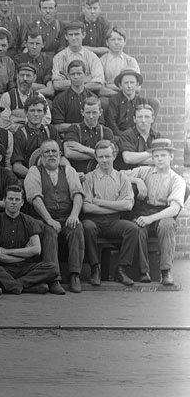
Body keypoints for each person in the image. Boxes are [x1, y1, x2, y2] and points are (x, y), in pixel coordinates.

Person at [23, 139, 84, 294]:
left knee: (77, 227)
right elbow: (35, 198)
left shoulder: (69, 171)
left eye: (54, 151)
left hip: (66, 216)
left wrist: (74, 215)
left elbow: (77, 194)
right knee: (49, 231)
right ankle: (53, 278)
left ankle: (75, 275)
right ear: (41, 156)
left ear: (60, 154)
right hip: (43, 218)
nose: (51, 155)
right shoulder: (34, 171)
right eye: (47, 152)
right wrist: (49, 219)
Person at [125, 138, 186, 286]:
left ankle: (166, 272)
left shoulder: (177, 180)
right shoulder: (144, 171)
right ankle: (143, 271)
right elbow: (120, 175)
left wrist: (151, 219)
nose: (159, 159)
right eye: (156, 156)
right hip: (143, 211)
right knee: (137, 226)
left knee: (167, 225)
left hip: (163, 213)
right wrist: (137, 181)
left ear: (171, 156)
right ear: (152, 158)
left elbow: (174, 208)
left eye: (163, 155)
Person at [80, 140, 140, 286]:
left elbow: (127, 206)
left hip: (114, 221)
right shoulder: (89, 178)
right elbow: (86, 208)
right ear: (96, 158)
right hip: (94, 220)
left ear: (114, 156)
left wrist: (100, 202)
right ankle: (95, 269)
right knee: (87, 227)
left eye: (107, 156)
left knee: (132, 229)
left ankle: (120, 270)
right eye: (101, 157)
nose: (104, 160)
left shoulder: (122, 178)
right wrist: (116, 206)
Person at [0, 185, 61, 294]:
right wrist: (23, 255)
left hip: (25, 268)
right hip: (4, 267)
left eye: (17, 199)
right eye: (10, 199)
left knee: (53, 268)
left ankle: (14, 285)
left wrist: (5, 251)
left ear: (22, 202)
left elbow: (36, 250)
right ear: (4, 201)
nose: (14, 202)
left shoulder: (29, 221)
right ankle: (27, 286)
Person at [63, 96, 114, 173]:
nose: (91, 116)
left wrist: (83, 149)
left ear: (100, 112)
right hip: (77, 174)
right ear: (82, 112)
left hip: (99, 174)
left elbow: (110, 156)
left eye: (94, 112)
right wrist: (99, 155)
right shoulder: (74, 129)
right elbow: (69, 153)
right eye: (88, 112)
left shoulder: (106, 132)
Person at [51, 23, 105, 94]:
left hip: (87, 95)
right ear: (66, 36)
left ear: (83, 35)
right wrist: (86, 80)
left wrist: (69, 82)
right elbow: (57, 85)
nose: (73, 38)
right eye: (70, 35)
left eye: (77, 34)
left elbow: (98, 84)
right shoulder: (58, 57)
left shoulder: (92, 57)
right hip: (65, 96)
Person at [11, 97, 58, 178]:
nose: (36, 114)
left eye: (39, 111)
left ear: (44, 113)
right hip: (29, 177)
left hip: (52, 176)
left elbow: (61, 157)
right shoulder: (20, 134)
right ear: (26, 112)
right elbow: (16, 166)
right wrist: (37, 177)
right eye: (32, 110)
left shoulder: (51, 130)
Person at [0, 63, 50, 133]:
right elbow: (3, 123)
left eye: (28, 76)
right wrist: (32, 122)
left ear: (34, 78)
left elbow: (47, 120)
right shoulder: (7, 96)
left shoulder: (39, 97)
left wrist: (18, 119)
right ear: (17, 77)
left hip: (34, 136)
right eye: (22, 75)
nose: (24, 79)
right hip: (14, 137)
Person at [104, 69, 158, 134]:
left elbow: (146, 123)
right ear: (120, 85)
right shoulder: (114, 101)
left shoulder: (142, 101)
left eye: (132, 83)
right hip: (119, 136)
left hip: (137, 135)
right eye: (126, 83)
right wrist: (122, 136)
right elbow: (111, 123)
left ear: (137, 84)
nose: (129, 86)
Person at [51, 60, 98, 132]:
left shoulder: (93, 97)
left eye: (79, 73)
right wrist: (82, 126)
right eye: (73, 74)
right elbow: (57, 126)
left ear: (85, 75)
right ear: (68, 76)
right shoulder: (59, 99)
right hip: (69, 136)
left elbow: (100, 123)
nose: (76, 77)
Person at [113, 103, 162, 170]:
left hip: (153, 174)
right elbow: (128, 158)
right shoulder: (127, 135)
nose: (143, 120)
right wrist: (150, 153)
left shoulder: (158, 137)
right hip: (131, 175)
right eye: (140, 117)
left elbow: (163, 160)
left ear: (152, 119)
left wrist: (137, 159)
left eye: (147, 117)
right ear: (134, 119)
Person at [99, 29, 141, 98]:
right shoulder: (101, 61)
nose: (116, 42)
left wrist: (111, 86)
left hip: (129, 97)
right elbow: (101, 88)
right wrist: (122, 90)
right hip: (109, 96)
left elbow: (137, 88)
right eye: (113, 39)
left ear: (125, 42)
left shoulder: (130, 61)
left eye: (119, 39)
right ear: (107, 42)